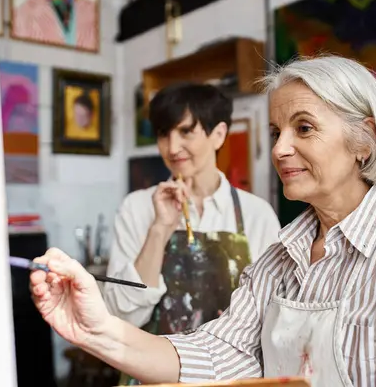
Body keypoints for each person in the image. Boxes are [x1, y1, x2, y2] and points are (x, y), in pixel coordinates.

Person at [29, 55, 376, 386]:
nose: (280, 150)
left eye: (304, 128)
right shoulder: (278, 260)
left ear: (365, 139)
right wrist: (95, 329)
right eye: (277, 132)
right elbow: (217, 351)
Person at [103, 82, 281, 384]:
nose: (172, 148)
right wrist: (160, 229)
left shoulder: (256, 214)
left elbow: (273, 317)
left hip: (232, 379)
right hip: (152, 378)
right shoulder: (136, 208)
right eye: (163, 133)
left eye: (186, 132)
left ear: (219, 134)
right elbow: (122, 317)